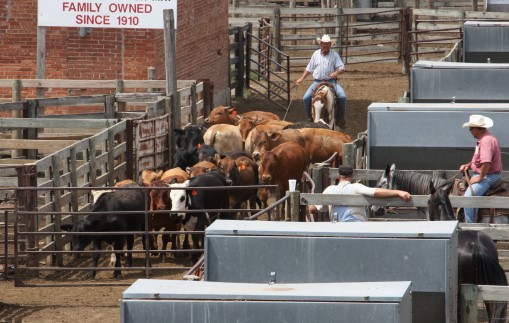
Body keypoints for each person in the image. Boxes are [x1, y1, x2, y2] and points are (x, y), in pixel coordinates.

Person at [309, 165, 412, 222]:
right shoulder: (356, 187)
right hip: (358, 228)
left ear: (339, 177)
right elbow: (376, 192)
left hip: (336, 227)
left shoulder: (329, 190)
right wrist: (399, 192)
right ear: (352, 176)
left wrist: (311, 205)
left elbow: (314, 209)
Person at [296, 34, 347, 128]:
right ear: (321, 44)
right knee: (306, 98)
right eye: (324, 44)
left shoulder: (334, 54)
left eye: (327, 44)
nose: (325, 46)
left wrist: (336, 72)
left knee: (342, 97)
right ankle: (310, 118)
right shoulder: (315, 54)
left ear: (330, 45)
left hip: (331, 81)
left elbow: (342, 67)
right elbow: (309, 68)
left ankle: (341, 119)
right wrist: (301, 78)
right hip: (317, 81)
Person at [459, 114, 502, 223]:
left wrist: (480, 177)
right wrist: (468, 165)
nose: (470, 131)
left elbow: (486, 162)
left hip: (488, 176)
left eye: (470, 129)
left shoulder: (486, 141)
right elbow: (480, 159)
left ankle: (471, 228)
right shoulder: (485, 139)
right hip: (487, 174)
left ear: (476, 129)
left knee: (469, 199)